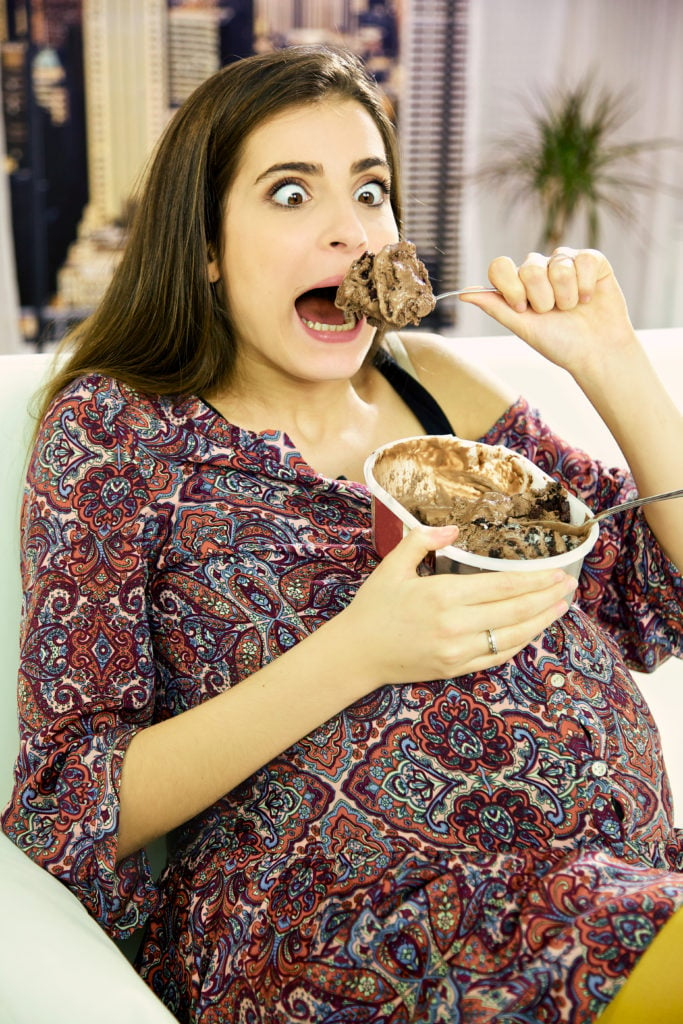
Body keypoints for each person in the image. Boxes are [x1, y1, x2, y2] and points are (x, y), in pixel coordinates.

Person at [2, 44, 683, 1024]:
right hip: (348, 944)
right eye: (290, 194)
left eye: (369, 193)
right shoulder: (119, 431)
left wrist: (612, 364)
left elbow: (653, 590)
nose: (349, 233)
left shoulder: (433, 386)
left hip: (620, 886)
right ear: (203, 245)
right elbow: (71, 800)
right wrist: (359, 650)